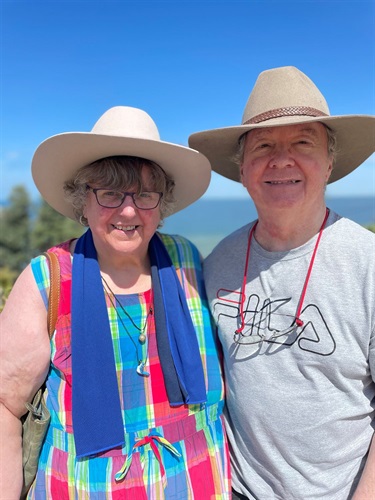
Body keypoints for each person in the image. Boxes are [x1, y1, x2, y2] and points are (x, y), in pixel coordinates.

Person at [0, 106, 231, 499]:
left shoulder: (187, 261)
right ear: (82, 202)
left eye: (144, 194)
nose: (129, 210)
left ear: (162, 204)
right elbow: (6, 407)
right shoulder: (47, 281)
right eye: (109, 193)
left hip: (200, 483)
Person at [188, 66, 375, 499]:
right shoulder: (219, 263)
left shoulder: (367, 264)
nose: (281, 160)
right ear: (243, 168)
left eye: (303, 143)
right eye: (264, 145)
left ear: (330, 162)